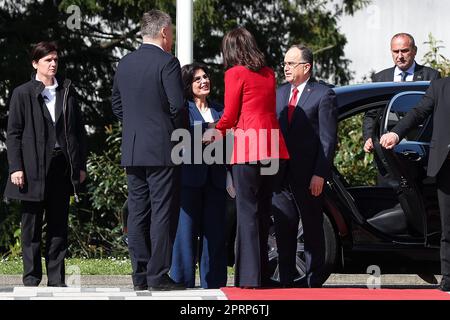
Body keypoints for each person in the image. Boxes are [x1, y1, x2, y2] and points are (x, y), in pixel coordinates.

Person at [111, 10, 186, 291]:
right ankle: (157, 275)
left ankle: (140, 275)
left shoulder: (125, 63)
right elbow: (177, 106)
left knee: (138, 211)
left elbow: (116, 104)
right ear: (164, 33)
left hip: (132, 148)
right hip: (161, 148)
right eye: (172, 34)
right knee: (162, 212)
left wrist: (135, 124)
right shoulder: (168, 62)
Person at [209, 27, 289, 288]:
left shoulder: (234, 73)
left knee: (247, 213)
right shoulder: (268, 73)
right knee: (264, 212)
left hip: (248, 149)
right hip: (272, 147)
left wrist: (215, 131)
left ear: (231, 50)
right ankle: (263, 275)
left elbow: (230, 115)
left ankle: (249, 278)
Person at [4, 41, 87, 287]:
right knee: (30, 226)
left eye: (55, 60)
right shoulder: (23, 93)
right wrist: (15, 167)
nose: (53, 64)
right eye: (47, 60)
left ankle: (56, 279)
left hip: (62, 167)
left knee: (59, 225)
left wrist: (80, 165)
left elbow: (79, 132)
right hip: (31, 169)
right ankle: (31, 278)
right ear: (35, 63)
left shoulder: (67, 91)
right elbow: (14, 133)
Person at [272, 44, 338, 288]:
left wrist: (320, 173)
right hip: (279, 176)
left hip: (309, 175)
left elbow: (328, 140)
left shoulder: (323, 94)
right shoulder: (279, 93)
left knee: (311, 228)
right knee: (283, 228)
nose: (286, 68)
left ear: (306, 67)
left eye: (291, 63)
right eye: (285, 63)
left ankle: (313, 281)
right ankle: (286, 281)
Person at [379, 77, 450, 292]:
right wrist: (396, 132)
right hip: (446, 166)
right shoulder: (440, 86)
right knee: (448, 226)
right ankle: (448, 278)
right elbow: (418, 112)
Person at [170, 63, 228, 288]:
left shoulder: (220, 110)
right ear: (188, 85)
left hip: (216, 179)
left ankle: (214, 282)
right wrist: (202, 137)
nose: (204, 81)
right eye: (197, 79)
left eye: (206, 77)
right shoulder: (183, 109)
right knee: (185, 233)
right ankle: (182, 281)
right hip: (188, 178)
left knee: (215, 233)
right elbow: (177, 139)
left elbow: (228, 143)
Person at [363, 33, 440, 154]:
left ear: (414, 51)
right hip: (387, 149)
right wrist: (368, 138)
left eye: (404, 51)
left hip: (419, 146)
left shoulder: (431, 76)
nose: (399, 56)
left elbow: (434, 113)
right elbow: (371, 114)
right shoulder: (380, 78)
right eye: (395, 51)